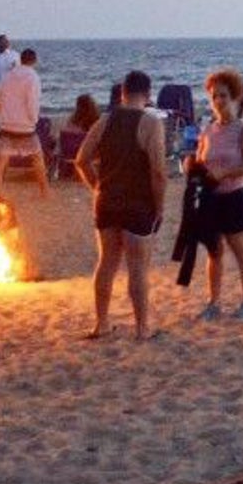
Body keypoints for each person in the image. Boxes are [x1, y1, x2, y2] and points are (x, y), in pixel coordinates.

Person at [74, 70, 168, 341]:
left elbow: (81, 160)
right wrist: (159, 207)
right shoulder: (151, 123)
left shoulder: (105, 120)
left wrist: (97, 187)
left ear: (123, 93)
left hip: (107, 203)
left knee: (106, 264)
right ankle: (142, 328)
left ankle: (101, 324)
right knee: (137, 268)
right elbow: (158, 172)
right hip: (138, 205)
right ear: (148, 95)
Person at [195, 67, 243, 321]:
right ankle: (213, 302)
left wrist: (225, 173)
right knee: (214, 252)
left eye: (223, 95)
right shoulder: (209, 129)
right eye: (214, 97)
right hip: (212, 198)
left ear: (234, 97)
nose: (218, 101)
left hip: (235, 196)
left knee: (241, 249)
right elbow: (202, 159)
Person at [0, 48, 49, 196]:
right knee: (37, 157)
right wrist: (33, 120)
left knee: (2, 159)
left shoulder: (7, 76)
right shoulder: (33, 77)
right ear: (34, 61)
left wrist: (3, 116)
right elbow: (32, 101)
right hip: (25, 126)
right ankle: (44, 191)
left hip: (7, 125)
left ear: (21, 59)